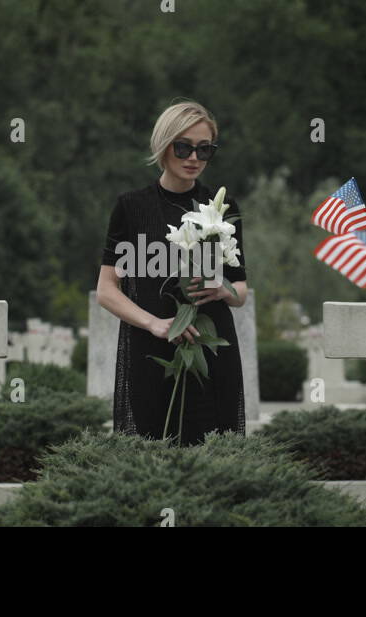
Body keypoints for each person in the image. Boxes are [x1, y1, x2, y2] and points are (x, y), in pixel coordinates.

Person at [96, 100, 249, 446]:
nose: (193, 158)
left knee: (216, 454)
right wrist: (155, 324)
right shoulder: (131, 208)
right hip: (151, 352)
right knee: (151, 454)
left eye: (204, 149)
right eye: (183, 147)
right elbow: (107, 289)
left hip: (211, 351)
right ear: (163, 146)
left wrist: (225, 292)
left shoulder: (220, 207)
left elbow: (241, 290)